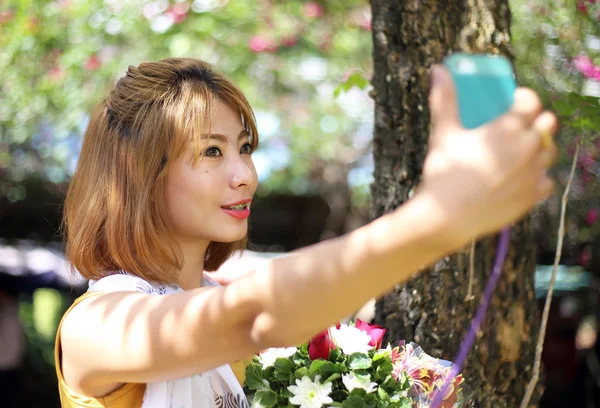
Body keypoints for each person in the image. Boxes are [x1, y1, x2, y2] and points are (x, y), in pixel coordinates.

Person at [56, 57, 558, 407]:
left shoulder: (255, 345)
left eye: (245, 147)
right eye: (212, 151)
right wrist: (437, 220)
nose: (245, 174)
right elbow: (248, 316)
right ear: (140, 174)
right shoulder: (95, 327)